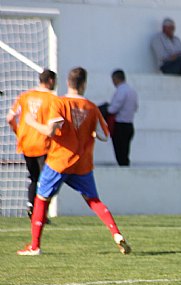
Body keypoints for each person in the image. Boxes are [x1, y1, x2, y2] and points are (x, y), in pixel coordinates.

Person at [17, 67, 131, 256]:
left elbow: (51, 131)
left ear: (68, 83)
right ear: (84, 84)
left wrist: (31, 121)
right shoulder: (91, 107)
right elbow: (104, 136)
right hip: (82, 163)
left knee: (41, 198)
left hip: (59, 161)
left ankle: (35, 246)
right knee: (94, 201)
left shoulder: (60, 103)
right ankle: (116, 233)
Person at [6, 69, 57, 219]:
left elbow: (10, 118)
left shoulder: (25, 96)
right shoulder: (52, 99)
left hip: (26, 143)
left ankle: (31, 205)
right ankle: (40, 213)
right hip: (43, 143)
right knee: (46, 179)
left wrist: (19, 133)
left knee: (33, 178)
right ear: (51, 81)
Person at [103, 69, 138, 166]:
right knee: (125, 151)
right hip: (129, 124)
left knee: (120, 153)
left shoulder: (121, 91)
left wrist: (104, 109)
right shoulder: (132, 91)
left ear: (116, 79)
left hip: (120, 125)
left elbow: (113, 109)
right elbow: (135, 107)